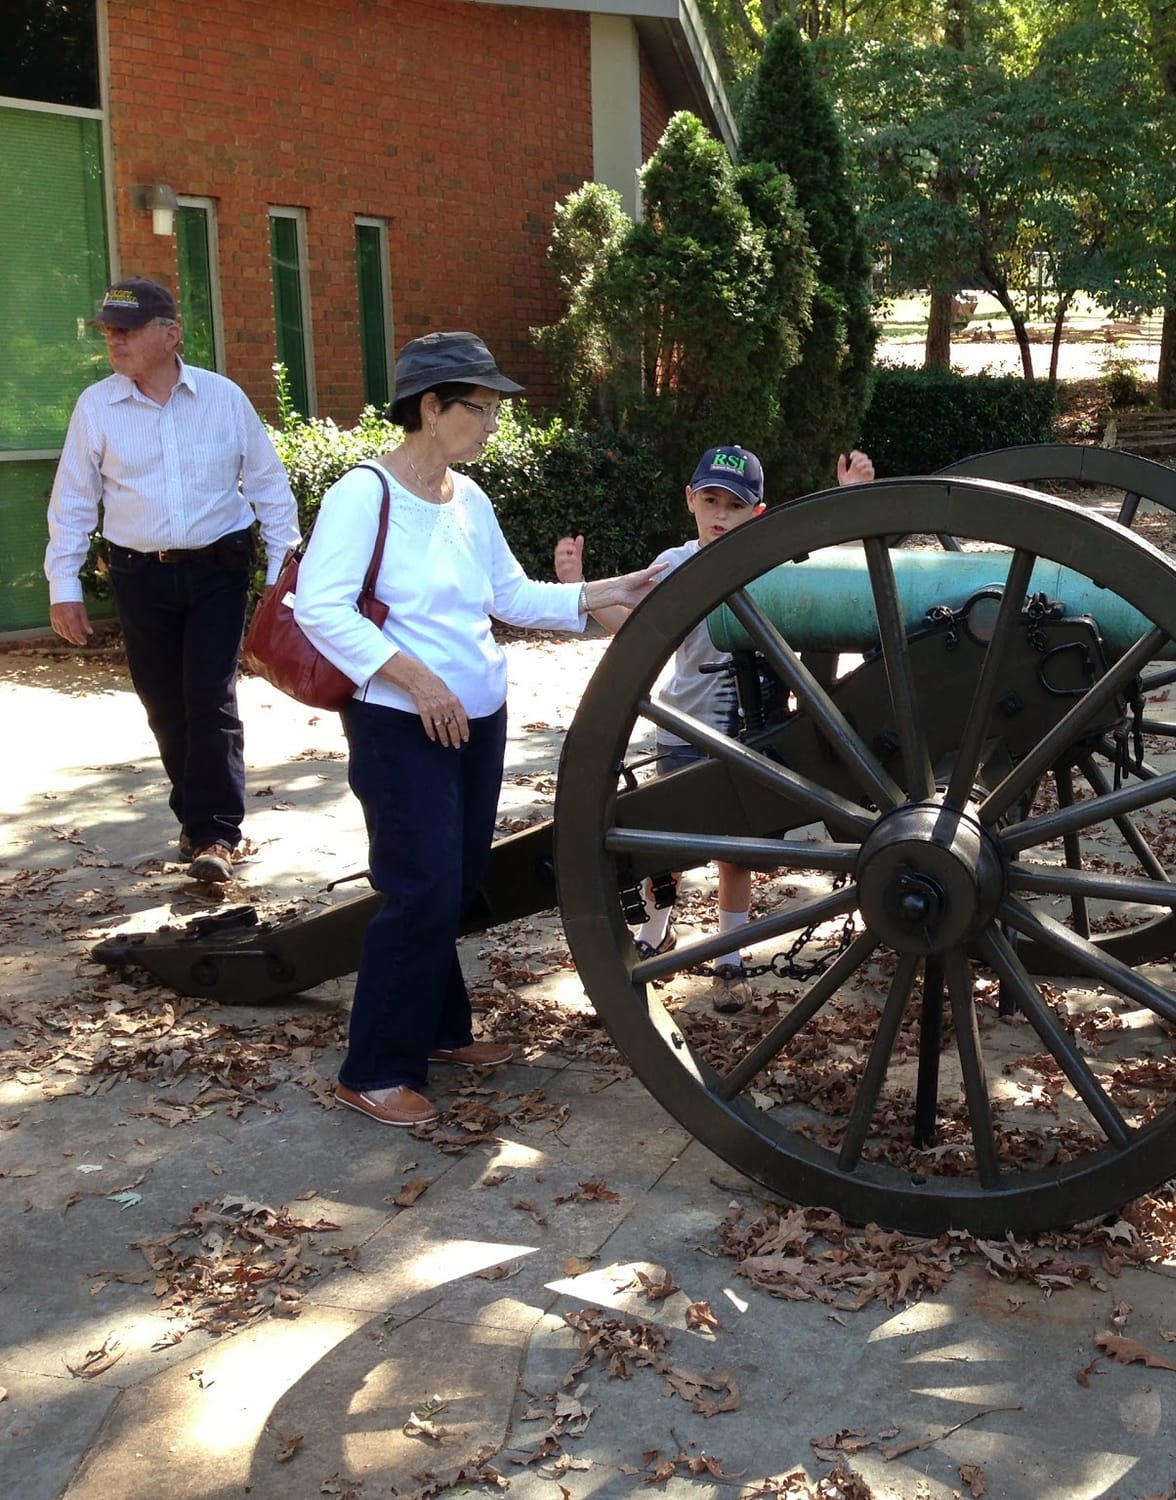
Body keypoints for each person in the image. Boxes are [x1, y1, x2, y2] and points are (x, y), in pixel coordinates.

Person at [294, 332, 665, 1128]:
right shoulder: (364, 494)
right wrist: (417, 679)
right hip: (401, 724)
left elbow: (511, 596)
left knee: (457, 882)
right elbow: (320, 608)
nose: (495, 423)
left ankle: (438, 1029)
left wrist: (609, 588)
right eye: (483, 408)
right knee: (420, 885)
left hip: (477, 720)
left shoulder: (469, 498)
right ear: (431, 407)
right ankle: (372, 1071)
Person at [553, 445, 873, 1012]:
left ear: (758, 512)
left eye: (735, 505)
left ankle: (730, 953)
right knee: (664, 846)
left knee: (735, 853)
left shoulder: (768, 563)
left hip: (744, 738)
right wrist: (579, 587)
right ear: (691, 501)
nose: (720, 514)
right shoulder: (672, 564)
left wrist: (849, 500)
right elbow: (635, 630)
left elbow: (824, 571)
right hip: (683, 725)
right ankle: (656, 930)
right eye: (711, 501)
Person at [44, 277, 301, 886]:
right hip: (138, 575)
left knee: (210, 698)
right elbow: (73, 501)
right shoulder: (96, 407)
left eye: (127, 330)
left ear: (171, 335)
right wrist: (64, 586)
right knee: (163, 704)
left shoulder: (222, 398)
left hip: (218, 568)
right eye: (109, 331)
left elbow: (268, 484)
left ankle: (215, 832)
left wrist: (281, 573)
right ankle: (195, 817)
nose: (115, 341)